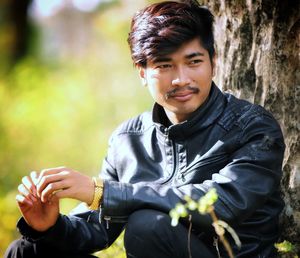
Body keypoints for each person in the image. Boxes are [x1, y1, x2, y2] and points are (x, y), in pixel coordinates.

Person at [5, 0, 285, 257]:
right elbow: (97, 231)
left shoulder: (252, 127)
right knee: (26, 250)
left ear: (213, 61)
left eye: (193, 61)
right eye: (164, 65)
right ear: (142, 72)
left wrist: (103, 191)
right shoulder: (128, 140)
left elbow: (223, 205)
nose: (180, 79)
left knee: (147, 226)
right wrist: (50, 226)